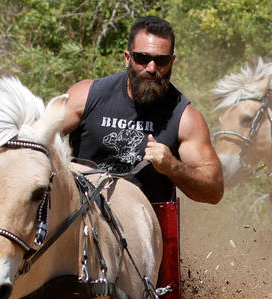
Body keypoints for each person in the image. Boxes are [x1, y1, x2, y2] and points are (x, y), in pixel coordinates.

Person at [62, 16, 223, 204]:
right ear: (128, 58)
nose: (152, 68)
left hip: (143, 225)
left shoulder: (185, 118)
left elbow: (214, 191)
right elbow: (36, 139)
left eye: (161, 60)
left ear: (171, 62)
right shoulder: (85, 95)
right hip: (80, 214)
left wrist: (172, 167)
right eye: (142, 58)